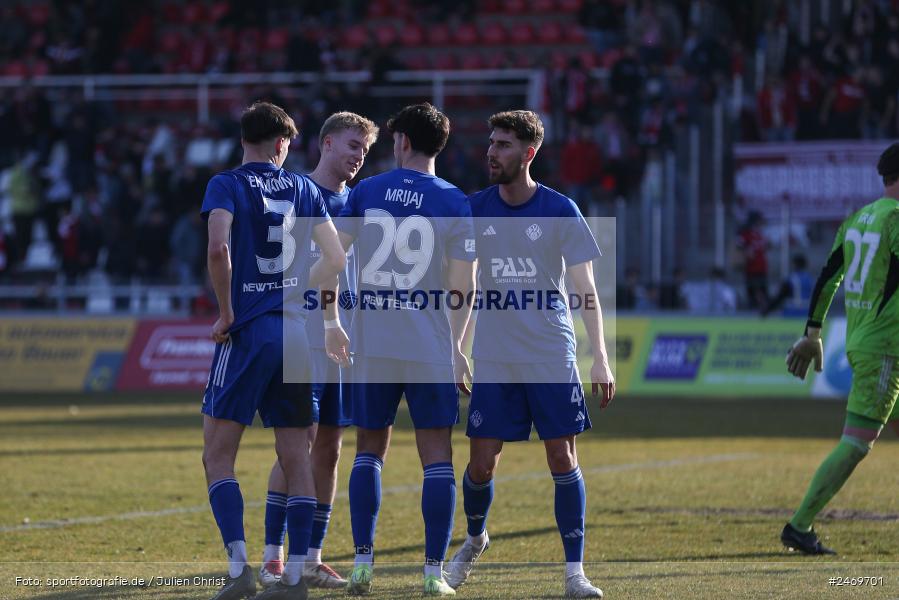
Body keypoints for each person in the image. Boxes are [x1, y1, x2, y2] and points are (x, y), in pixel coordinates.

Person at [444, 110, 615, 599]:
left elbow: (585, 291)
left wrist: (600, 356)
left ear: (528, 153)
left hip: (550, 354)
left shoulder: (561, 210)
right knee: (482, 464)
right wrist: (456, 348)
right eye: (491, 143)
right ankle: (475, 538)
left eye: (503, 145)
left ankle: (574, 574)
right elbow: (463, 287)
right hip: (495, 357)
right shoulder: (474, 209)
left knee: (562, 456)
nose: (491, 153)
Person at [200, 101, 348, 600]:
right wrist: (292, 287)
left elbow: (218, 248)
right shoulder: (305, 188)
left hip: (249, 332)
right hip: (297, 334)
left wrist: (226, 312)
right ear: (283, 144)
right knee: (296, 456)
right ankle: (294, 576)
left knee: (218, 454)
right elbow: (336, 258)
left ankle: (240, 567)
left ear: (245, 141)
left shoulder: (227, 184)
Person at [335, 103, 476, 596]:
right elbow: (464, 287)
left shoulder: (367, 191)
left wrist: (332, 320)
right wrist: (459, 347)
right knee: (436, 455)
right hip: (429, 342)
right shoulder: (455, 201)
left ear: (401, 142)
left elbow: (333, 259)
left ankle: (362, 564)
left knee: (368, 451)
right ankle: (434, 573)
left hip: (372, 341)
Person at [257, 112, 379, 590]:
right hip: (298, 335)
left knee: (330, 444)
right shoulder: (291, 195)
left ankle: (311, 556)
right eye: (352, 146)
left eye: (364, 152)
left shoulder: (360, 206)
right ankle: (273, 555)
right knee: (297, 442)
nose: (357, 158)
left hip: (344, 341)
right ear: (327, 143)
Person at [783, 142, 899, 554]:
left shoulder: (857, 219)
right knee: (856, 442)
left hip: (864, 340)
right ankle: (799, 525)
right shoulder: (897, 219)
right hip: (886, 348)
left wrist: (813, 332)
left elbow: (827, 276)